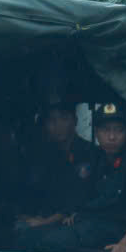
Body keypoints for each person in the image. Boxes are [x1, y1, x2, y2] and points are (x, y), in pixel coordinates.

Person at [20, 102, 126, 252]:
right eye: (105, 130)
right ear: (96, 133)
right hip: (88, 224)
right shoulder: (94, 159)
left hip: (115, 229)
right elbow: (80, 195)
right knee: (28, 237)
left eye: (119, 131)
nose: (112, 137)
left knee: (50, 243)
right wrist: (74, 214)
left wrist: (124, 244)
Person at [11, 99, 96, 242]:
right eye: (52, 120)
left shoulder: (87, 153)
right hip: (48, 216)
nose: (58, 126)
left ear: (74, 121)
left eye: (64, 118)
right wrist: (31, 215)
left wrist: (45, 222)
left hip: (73, 221)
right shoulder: (47, 155)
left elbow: (78, 200)